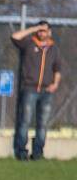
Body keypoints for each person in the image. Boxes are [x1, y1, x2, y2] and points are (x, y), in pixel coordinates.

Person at [11, 20, 62, 161]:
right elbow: (15, 37)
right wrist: (33, 28)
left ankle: (38, 152)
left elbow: (57, 69)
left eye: (44, 30)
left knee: (42, 124)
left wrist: (55, 84)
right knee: (25, 121)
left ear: (49, 32)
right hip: (30, 88)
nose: (41, 33)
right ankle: (21, 151)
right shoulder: (29, 43)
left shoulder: (54, 49)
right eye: (40, 30)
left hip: (46, 91)